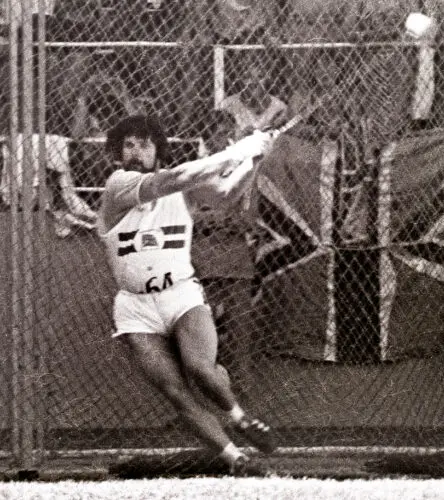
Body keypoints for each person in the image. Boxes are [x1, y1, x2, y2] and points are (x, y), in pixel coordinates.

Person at [97, 115, 276, 475]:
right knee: (176, 392)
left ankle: (240, 419)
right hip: (136, 307)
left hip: (180, 294)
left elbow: (224, 195)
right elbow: (174, 178)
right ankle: (237, 460)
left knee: (201, 370)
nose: (136, 152)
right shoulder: (119, 185)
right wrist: (238, 150)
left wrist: (256, 158)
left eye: (144, 144)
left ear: (158, 150)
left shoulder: (183, 190)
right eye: (128, 145)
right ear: (118, 152)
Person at [191, 110, 257, 394]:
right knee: (201, 321)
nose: (228, 140)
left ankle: (241, 378)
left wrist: (225, 219)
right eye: (220, 134)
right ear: (208, 139)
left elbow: (251, 218)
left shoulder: (244, 170)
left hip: (235, 252)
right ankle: (203, 376)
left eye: (231, 134)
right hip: (202, 253)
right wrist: (213, 218)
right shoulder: (194, 172)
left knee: (241, 321)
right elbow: (187, 216)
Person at [220, 65, 288, 140]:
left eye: (260, 76)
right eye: (248, 77)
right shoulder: (228, 105)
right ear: (240, 79)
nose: (254, 81)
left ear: (268, 79)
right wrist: (238, 134)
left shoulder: (279, 108)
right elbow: (220, 137)